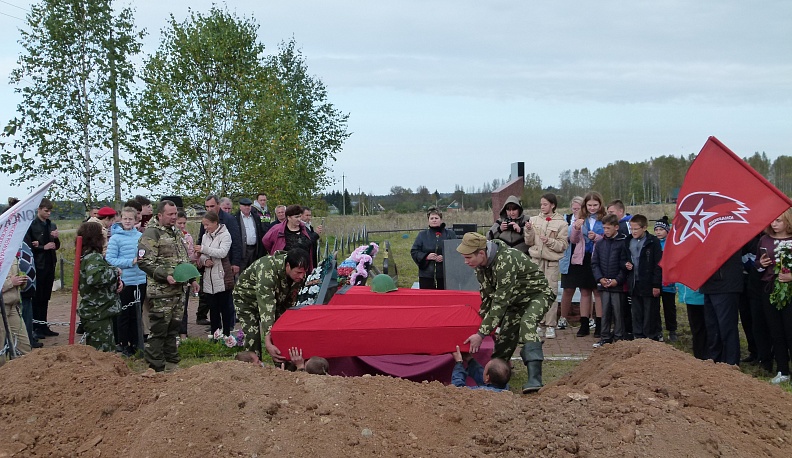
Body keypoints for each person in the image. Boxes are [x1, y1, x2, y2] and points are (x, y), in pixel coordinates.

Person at [456, 232, 553, 393]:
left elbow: (500, 302)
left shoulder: (506, 260)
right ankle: (497, 380)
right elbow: (487, 299)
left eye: (468, 257)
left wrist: (481, 334)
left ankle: (535, 380)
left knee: (527, 324)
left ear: (481, 253)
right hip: (514, 302)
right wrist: (477, 325)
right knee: (505, 339)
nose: (466, 262)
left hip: (537, 295)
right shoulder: (480, 267)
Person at [138, 200, 199, 372]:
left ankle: (172, 363)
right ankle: (156, 367)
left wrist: (192, 279)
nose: (174, 217)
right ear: (160, 215)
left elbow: (183, 259)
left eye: (175, 214)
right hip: (161, 293)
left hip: (179, 291)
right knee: (159, 330)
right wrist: (165, 276)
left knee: (173, 329)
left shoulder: (176, 232)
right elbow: (144, 262)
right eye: (170, 214)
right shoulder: (152, 233)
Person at [233, 248, 309, 363]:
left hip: (275, 300)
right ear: (288, 266)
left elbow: (290, 301)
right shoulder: (267, 269)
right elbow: (267, 306)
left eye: (304, 272)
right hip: (247, 301)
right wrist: (268, 341)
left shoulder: (298, 273)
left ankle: (283, 367)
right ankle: (253, 367)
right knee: (252, 337)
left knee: (280, 333)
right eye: (298, 272)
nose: (302, 276)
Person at [524, 193, 568, 339]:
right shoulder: (534, 220)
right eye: (541, 204)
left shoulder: (561, 223)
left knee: (551, 293)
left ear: (552, 205)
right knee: (536, 292)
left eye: (545, 204)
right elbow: (529, 242)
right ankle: (538, 323)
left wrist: (549, 241)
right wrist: (528, 231)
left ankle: (550, 325)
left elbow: (563, 245)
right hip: (536, 261)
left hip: (551, 263)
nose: (542, 207)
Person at [106, 207, 147, 356]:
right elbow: (110, 259)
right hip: (124, 281)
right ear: (121, 219)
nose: (128, 221)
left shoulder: (140, 236)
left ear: (135, 220)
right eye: (125, 219)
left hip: (140, 280)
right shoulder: (115, 238)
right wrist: (130, 262)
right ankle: (123, 344)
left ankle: (136, 343)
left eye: (130, 219)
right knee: (124, 314)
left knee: (137, 313)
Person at [756, 209, 792, 382]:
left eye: (778, 220)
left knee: (790, 329)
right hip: (769, 289)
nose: (774, 224)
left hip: (790, 290)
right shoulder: (764, 239)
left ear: (788, 221)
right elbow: (757, 263)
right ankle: (782, 370)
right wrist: (761, 264)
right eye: (772, 220)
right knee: (775, 330)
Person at [77, 222, 123, 352]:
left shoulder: (88, 255)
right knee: (103, 352)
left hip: (99, 310)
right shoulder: (93, 257)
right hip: (98, 311)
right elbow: (95, 278)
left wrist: (117, 282)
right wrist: (115, 272)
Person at [196, 195, 242, 325]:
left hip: (225, 263)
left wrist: (235, 262)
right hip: (209, 264)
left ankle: (229, 324)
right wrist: (202, 259)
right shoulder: (206, 220)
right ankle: (213, 324)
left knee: (226, 296)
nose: (209, 209)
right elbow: (201, 239)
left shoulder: (229, 219)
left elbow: (236, 242)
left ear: (218, 205)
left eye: (212, 206)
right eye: (207, 206)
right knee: (209, 296)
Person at [568, 191, 605, 338]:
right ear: (585, 205)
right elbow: (573, 240)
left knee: (598, 292)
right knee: (584, 292)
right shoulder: (581, 218)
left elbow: (609, 238)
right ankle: (584, 325)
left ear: (600, 205)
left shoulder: (604, 219)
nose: (592, 208)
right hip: (583, 258)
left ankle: (600, 325)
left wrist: (597, 237)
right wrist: (576, 228)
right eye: (589, 205)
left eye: (595, 205)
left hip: (599, 258)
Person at [591, 214, 628, 347]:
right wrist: (600, 278)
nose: (605, 231)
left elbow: (625, 265)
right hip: (604, 284)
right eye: (604, 228)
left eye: (608, 228)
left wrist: (617, 280)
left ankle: (619, 337)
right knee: (605, 312)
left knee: (618, 312)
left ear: (616, 227)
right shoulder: (600, 243)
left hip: (617, 285)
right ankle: (605, 337)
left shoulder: (623, 243)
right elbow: (595, 263)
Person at [25, 197, 60, 340]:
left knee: (46, 297)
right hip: (38, 265)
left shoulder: (51, 225)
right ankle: (36, 327)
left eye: (50, 211)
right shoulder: (32, 225)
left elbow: (56, 246)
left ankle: (44, 325)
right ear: (39, 209)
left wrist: (56, 238)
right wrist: (42, 247)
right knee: (37, 297)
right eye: (46, 211)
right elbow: (28, 246)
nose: (48, 213)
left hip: (50, 264)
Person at [195, 211, 235, 336]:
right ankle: (215, 334)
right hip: (209, 277)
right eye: (204, 225)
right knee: (213, 308)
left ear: (215, 223)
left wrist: (204, 249)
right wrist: (204, 260)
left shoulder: (225, 235)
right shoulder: (205, 236)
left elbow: (222, 253)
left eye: (207, 225)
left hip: (222, 275)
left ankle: (227, 333)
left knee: (224, 307)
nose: (205, 228)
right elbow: (202, 256)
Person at [625, 214, 663, 341]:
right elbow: (623, 258)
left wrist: (656, 284)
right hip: (634, 282)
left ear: (644, 228)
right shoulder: (628, 241)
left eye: (636, 229)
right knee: (636, 312)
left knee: (650, 312)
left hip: (649, 283)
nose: (633, 232)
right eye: (632, 229)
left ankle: (650, 337)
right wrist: (626, 264)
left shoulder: (653, 242)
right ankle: (638, 335)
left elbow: (658, 264)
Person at [410, 207, 457, 289]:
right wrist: (426, 256)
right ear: (428, 220)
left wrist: (445, 257)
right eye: (431, 218)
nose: (434, 220)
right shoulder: (422, 235)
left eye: (436, 218)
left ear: (441, 219)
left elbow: (456, 251)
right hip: (427, 275)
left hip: (446, 275)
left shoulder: (450, 234)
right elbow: (414, 251)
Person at [263, 205, 316, 271]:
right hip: (285, 267)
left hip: (303, 267)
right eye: (296, 217)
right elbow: (266, 241)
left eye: (300, 216)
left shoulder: (304, 228)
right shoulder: (278, 229)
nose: (299, 219)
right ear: (288, 217)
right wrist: (274, 250)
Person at [558, 196, 584, 330]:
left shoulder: (588, 220)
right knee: (568, 289)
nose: (576, 211)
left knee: (586, 290)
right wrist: (574, 226)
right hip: (568, 258)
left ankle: (588, 318)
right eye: (574, 208)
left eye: (578, 208)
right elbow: (563, 235)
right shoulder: (566, 219)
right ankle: (563, 318)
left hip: (584, 259)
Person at [1, 250, 32, 364]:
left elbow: (18, 279)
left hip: (13, 307)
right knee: (0, 351)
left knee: (24, 347)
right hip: (1, 307)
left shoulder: (10, 253)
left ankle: (24, 372)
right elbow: (10, 282)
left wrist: (22, 281)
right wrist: (11, 282)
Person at [654, 216, 678, 342]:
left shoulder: (671, 244)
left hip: (669, 282)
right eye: (656, 229)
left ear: (667, 231)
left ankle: (672, 330)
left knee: (669, 308)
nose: (658, 232)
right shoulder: (653, 244)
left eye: (661, 229)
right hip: (656, 282)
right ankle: (658, 330)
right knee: (655, 308)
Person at [678, 283, 707, 360]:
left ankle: (702, 354)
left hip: (699, 294)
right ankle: (700, 355)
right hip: (692, 295)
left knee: (701, 328)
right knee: (698, 328)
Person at [236, 197, 266, 271]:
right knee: (241, 272)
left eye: (249, 206)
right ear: (240, 207)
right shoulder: (235, 218)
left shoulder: (256, 217)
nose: (247, 207)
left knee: (254, 270)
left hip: (255, 250)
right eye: (245, 206)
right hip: (242, 251)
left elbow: (260, 233)